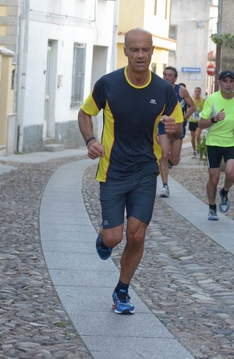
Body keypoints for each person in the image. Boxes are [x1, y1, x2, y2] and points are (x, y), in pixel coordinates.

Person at [77, 28, 183, 315]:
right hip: (113, 171)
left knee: (136, 235)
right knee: (114, 238)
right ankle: (103, 238)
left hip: (146, 171)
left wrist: (174, 130)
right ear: (125, 51)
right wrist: (90, 141)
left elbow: (178, 126)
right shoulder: (109, 84)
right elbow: (85, 113)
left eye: (145, 50)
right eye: (134, 49)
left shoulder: (163, 90)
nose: (140, 55)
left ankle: (121, 289)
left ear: (152, 52)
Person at [197, 70, 234, 221]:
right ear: (219, 83)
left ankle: (225, 191)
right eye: (225, 81)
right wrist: (214, 119)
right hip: (213, 142)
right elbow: (201, 124)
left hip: (232, 142)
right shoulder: (212, 99)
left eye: (231, 81)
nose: (228, 84)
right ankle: (212, 206)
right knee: (213, 179)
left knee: (231, 173)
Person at [157, 66, 196, 197]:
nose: (166, 77)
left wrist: (184, 118)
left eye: (169, 75)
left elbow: (192, 106)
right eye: (165, 74)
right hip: (163, 125)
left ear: (175, 78)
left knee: (174, 160)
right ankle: (165, 186)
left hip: (177, 126)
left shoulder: (181, 90)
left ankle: (166, 165)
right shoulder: (158, 89)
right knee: (163, 154)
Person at [188, 86, 205, 158]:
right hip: (192, 120)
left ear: (200, 92)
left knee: (198, 135)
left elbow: (205, 111)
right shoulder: (191, 100)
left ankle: (198, 148)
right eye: (196, 91)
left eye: (199, 91)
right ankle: (194, 150)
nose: (197, 93)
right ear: (194, 92)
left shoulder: (203, 100)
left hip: (199, 121)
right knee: (192, 137)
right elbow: (188, 109)